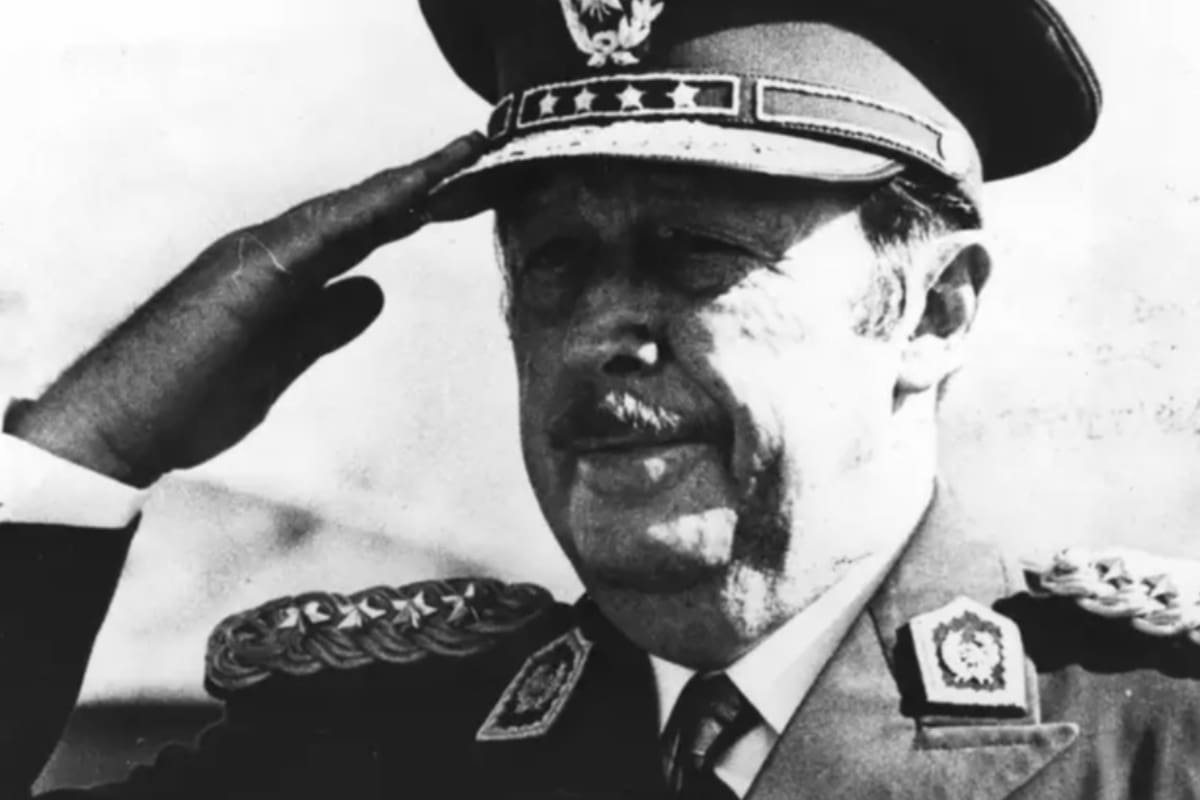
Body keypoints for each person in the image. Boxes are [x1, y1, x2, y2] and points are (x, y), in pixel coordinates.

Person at [3, 0, 1199, 797]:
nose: (595, 337)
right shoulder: (364, 748)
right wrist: (88, 444)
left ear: (933, 311)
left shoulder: (1156, 743)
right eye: (555, 263)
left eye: (695, 252)